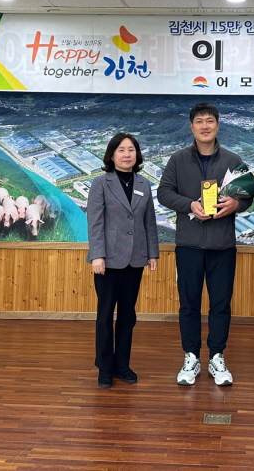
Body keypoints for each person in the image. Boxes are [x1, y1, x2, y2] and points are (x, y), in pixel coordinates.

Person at [157, 102, 253, 386]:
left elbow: (248, 196)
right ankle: (191, 356)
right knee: (189, 304)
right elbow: (164, 193)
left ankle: (217, 357)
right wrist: (189, 205)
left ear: (217, 125)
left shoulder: (233, 159)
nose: (205, 126)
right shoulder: (177, 159)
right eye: (199, 121)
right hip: (188, 245)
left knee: (221, 304)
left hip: (223, 246)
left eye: (210, 120)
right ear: (191, 127)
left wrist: (236, 204)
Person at [87, 133, 159, 388]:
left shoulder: (144, 183)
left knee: (128, 315)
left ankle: (122, 365)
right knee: (105, 315)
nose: (127, 154)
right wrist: (97, 255)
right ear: (112, 154)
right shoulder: (101, 183)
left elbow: (149, 222)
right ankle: (105, 368)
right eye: (121, 150)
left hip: (135, 259)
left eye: (131, 150)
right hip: (107, 260)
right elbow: (95, 222)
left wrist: (152, 253)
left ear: (137, 154)